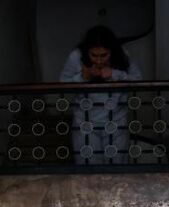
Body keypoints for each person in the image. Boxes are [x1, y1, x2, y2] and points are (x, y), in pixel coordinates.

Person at [59, 26, 142, 164]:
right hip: (85, 123)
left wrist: (115, 74)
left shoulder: (123, 55)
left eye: (103, 55)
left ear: (112, 52)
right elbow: (62, 85)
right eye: (94, 55)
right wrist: (82, 77)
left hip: (116, 122)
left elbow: (138, 81)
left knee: (117, 169)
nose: (98, 61)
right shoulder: (76, 57)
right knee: (88, 169)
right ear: (87, 52)